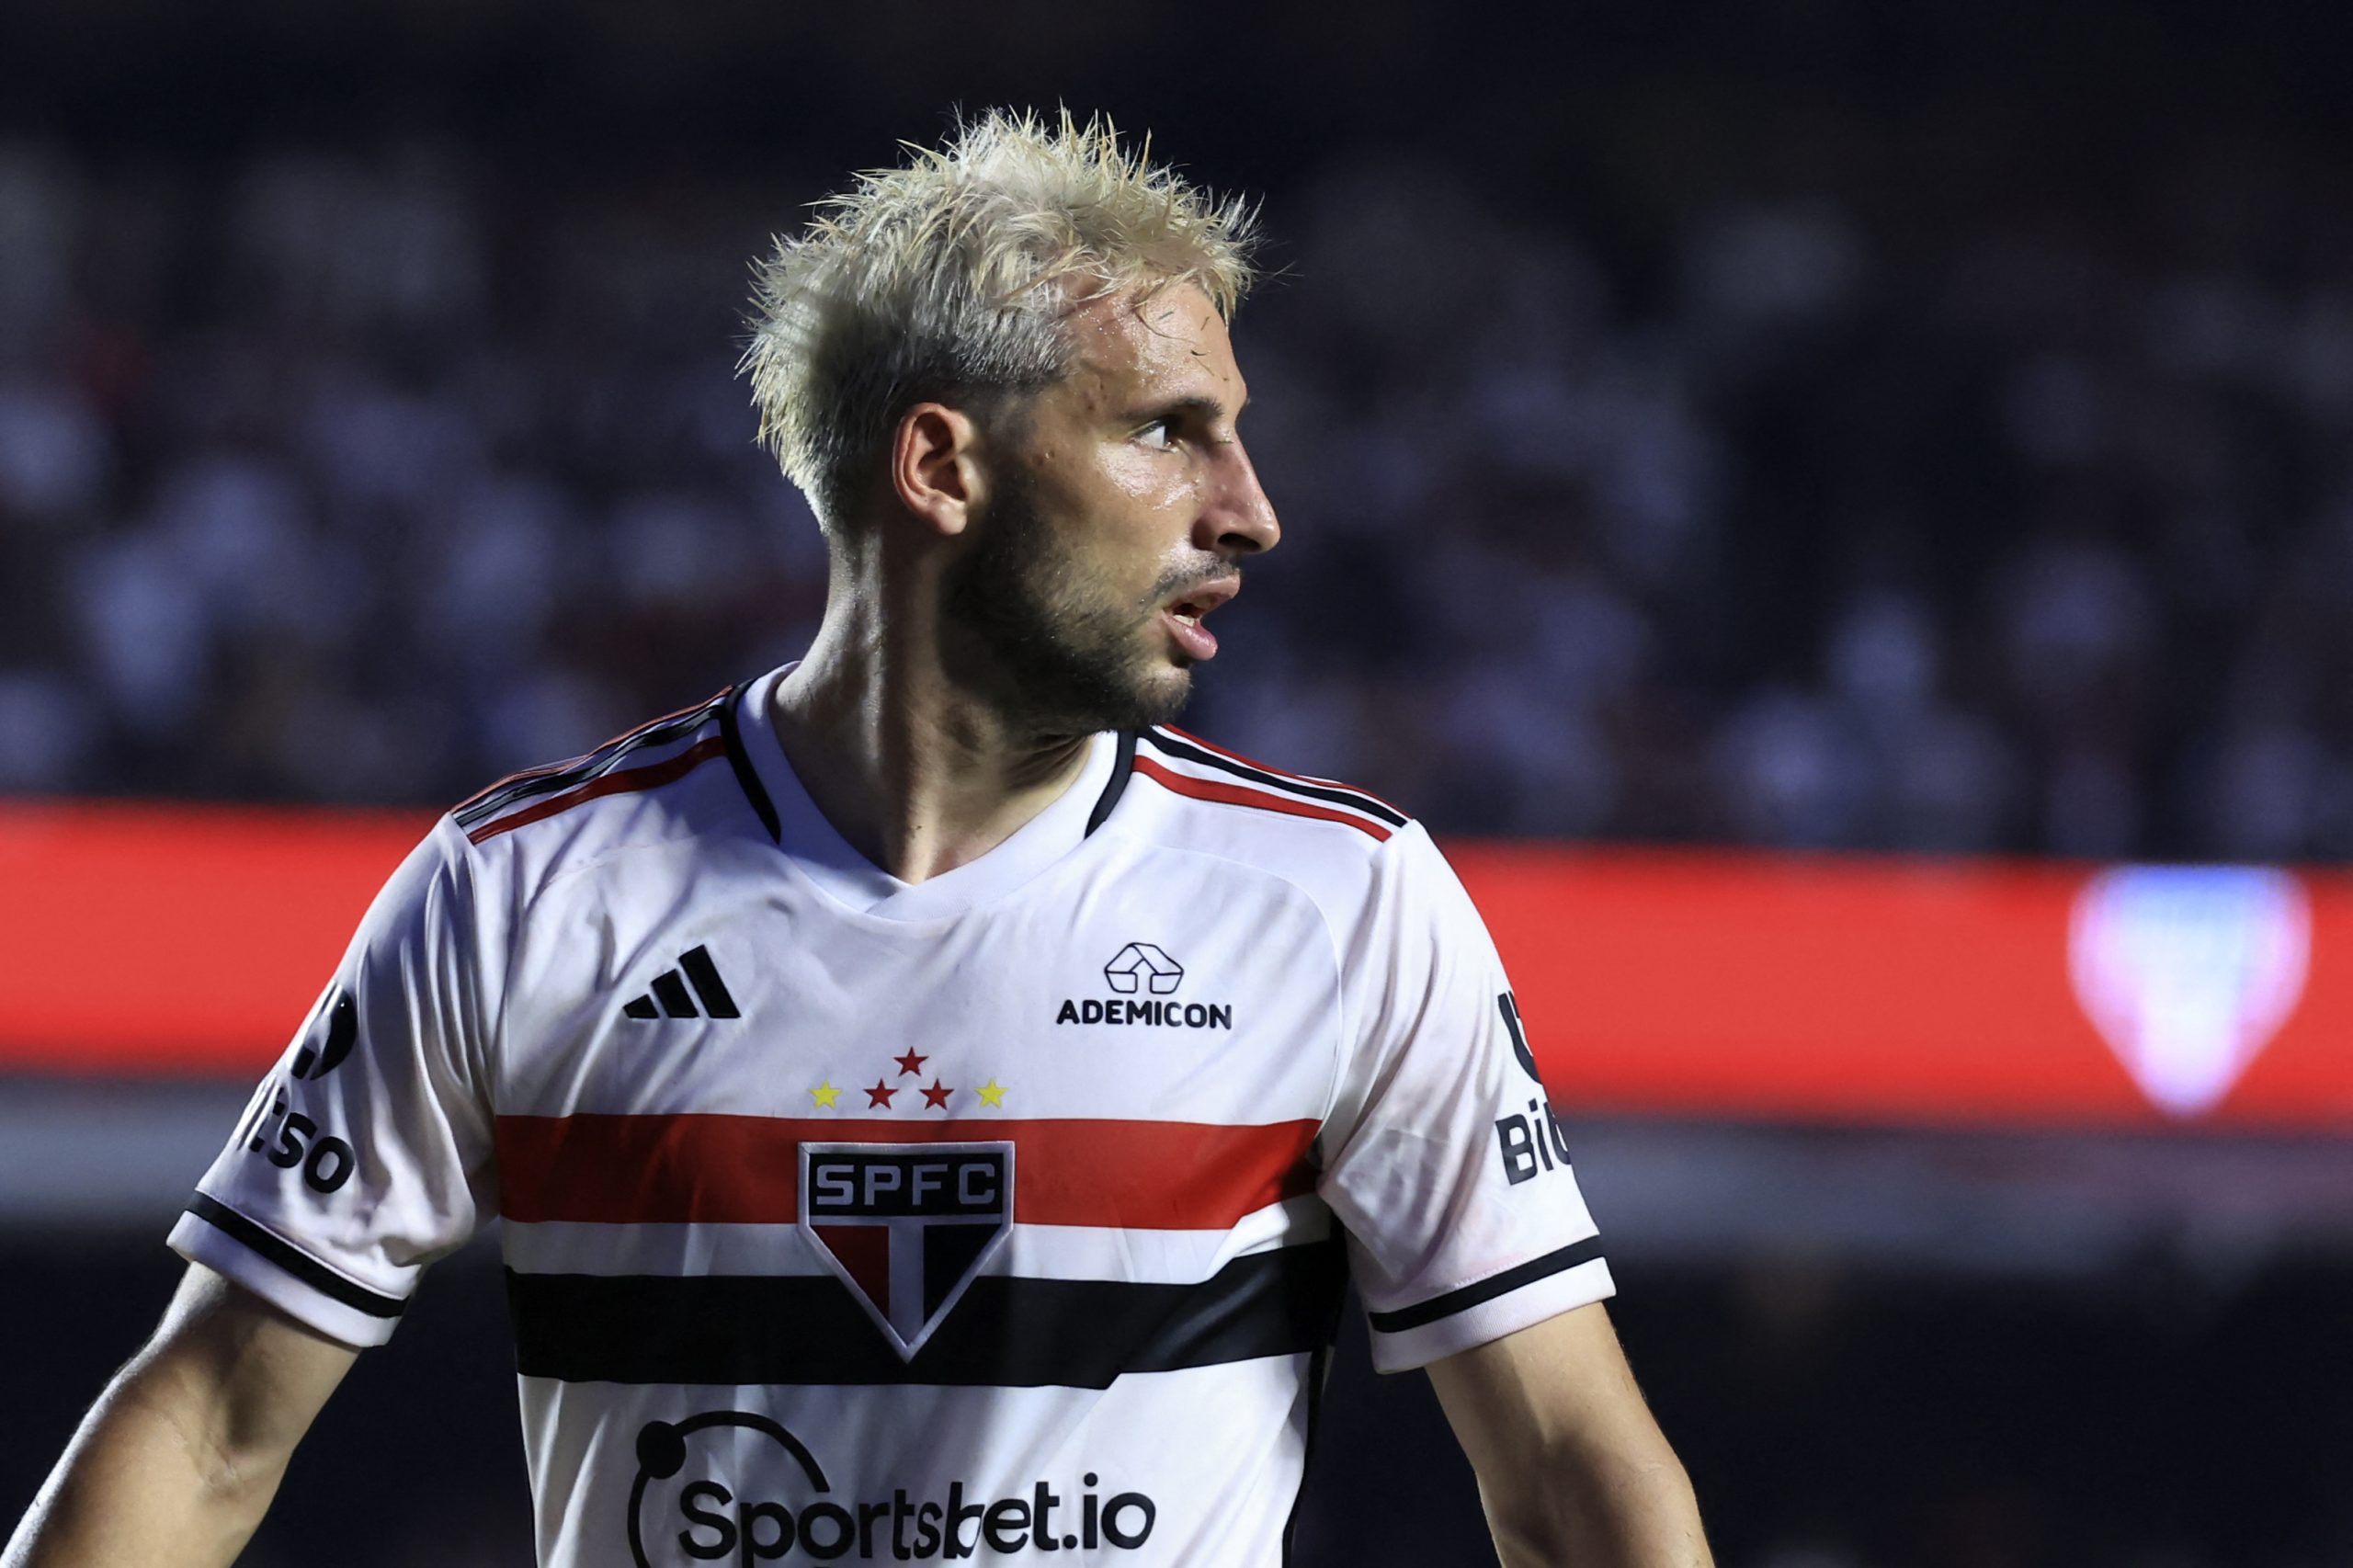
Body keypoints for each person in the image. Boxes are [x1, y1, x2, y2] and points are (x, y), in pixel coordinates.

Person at [5, 110, 1711, 1568]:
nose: (1248, 505)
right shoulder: (519, 896)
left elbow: (1571, 1478)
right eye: (1165, 429)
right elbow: (213, 1418)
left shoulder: (1342, 902)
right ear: (941, 467)